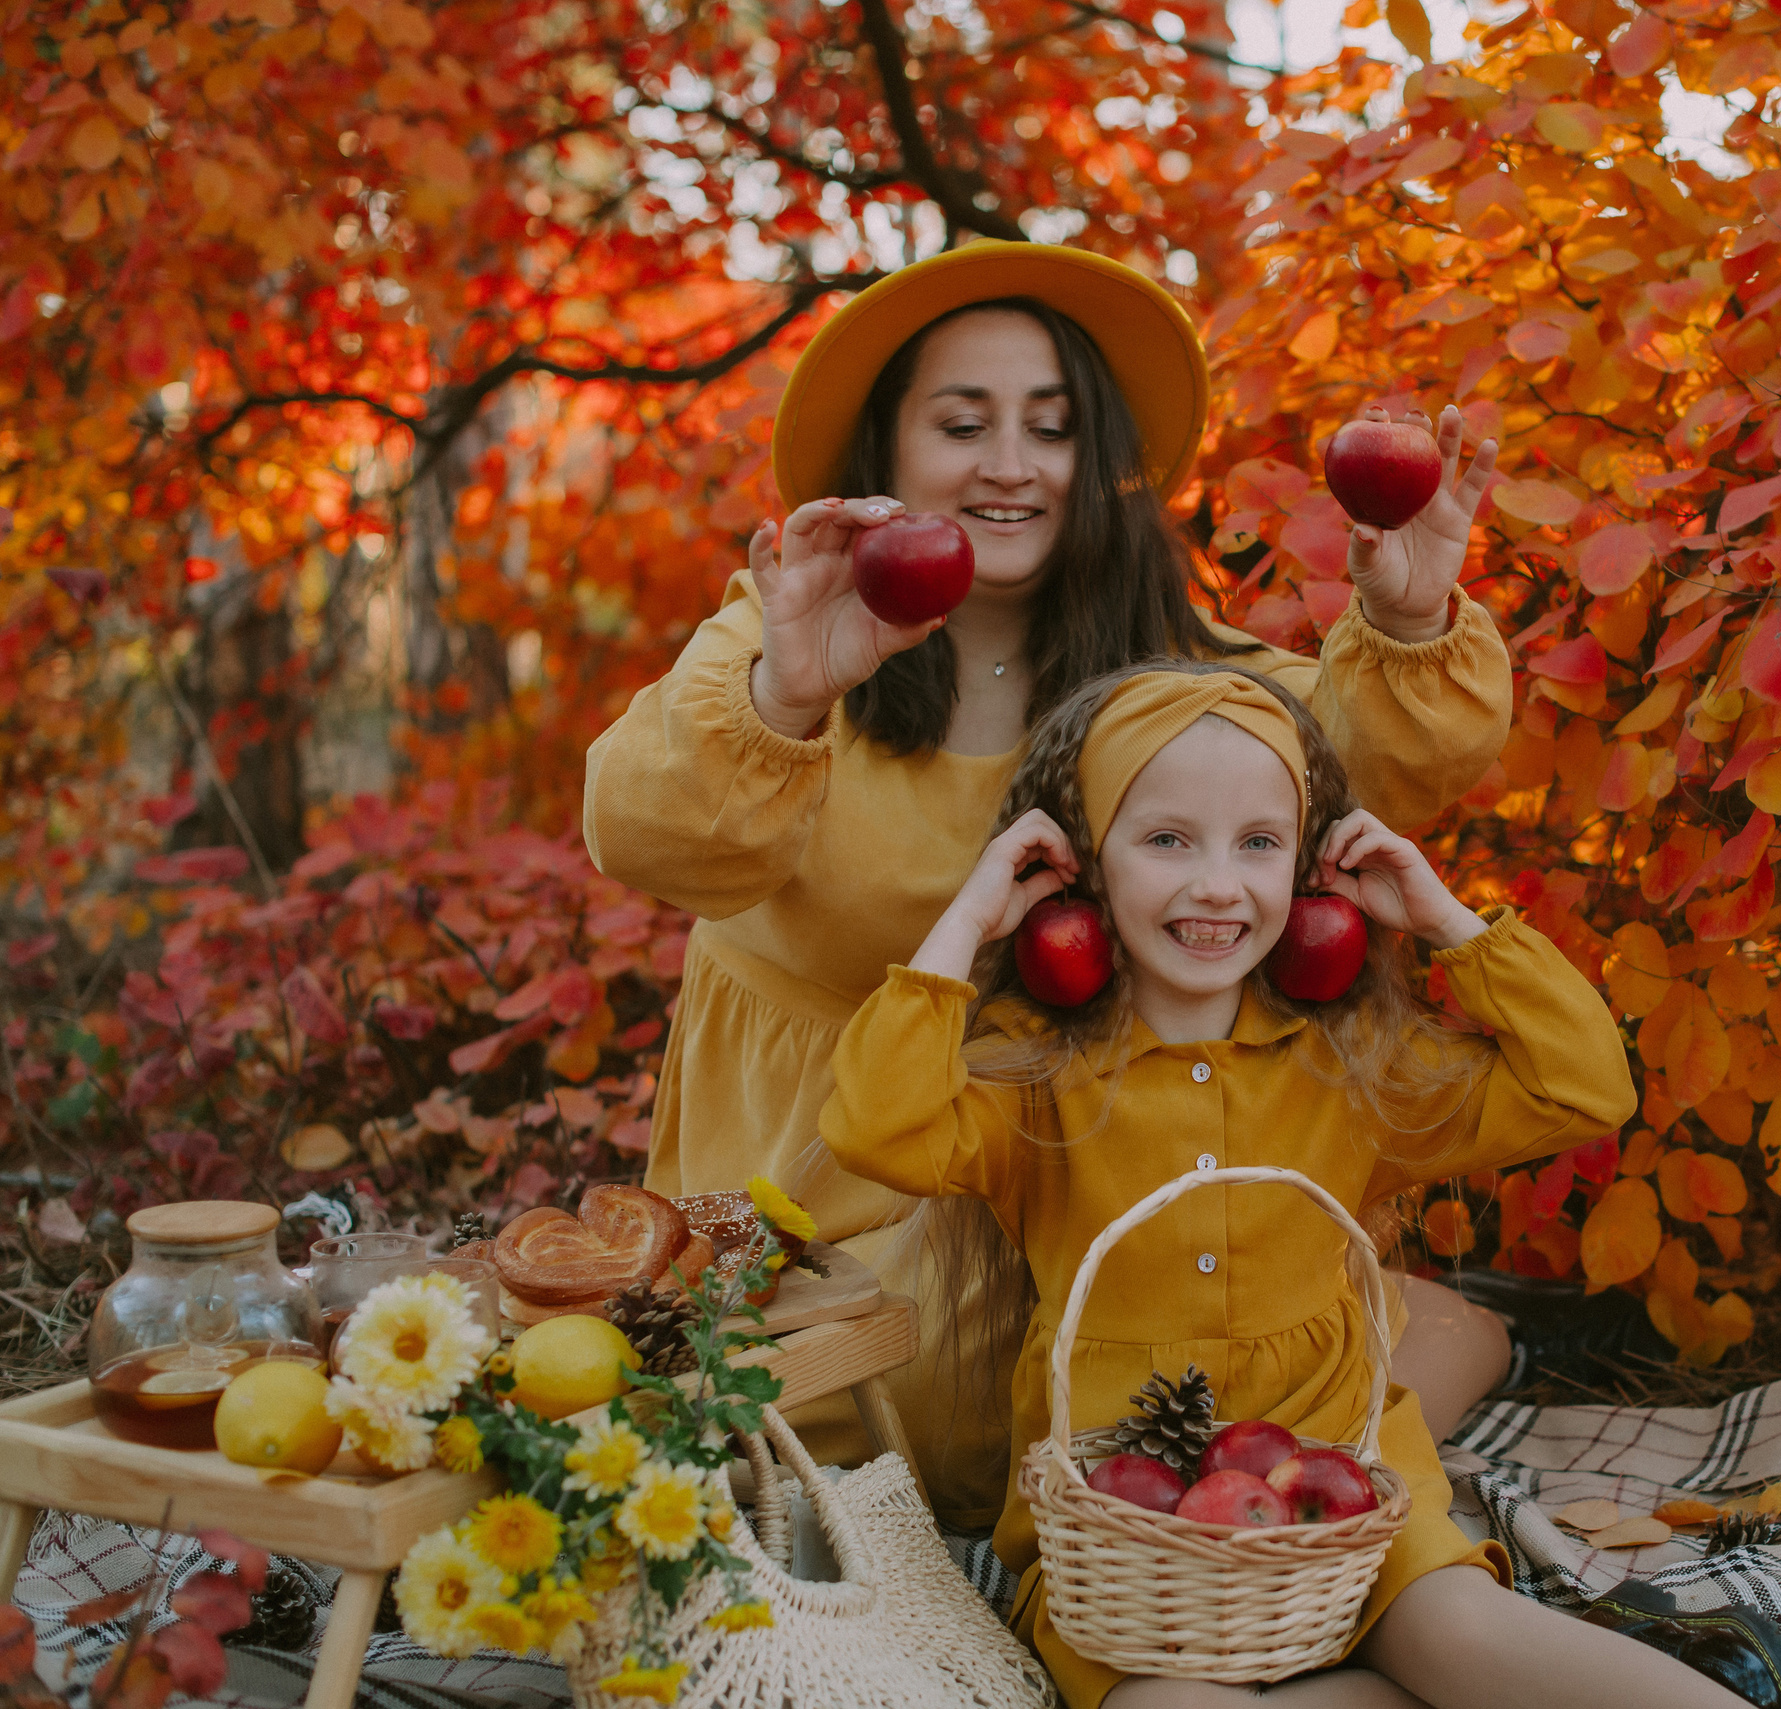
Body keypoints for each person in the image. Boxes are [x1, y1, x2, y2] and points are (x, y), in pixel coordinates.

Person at [582, 243, 1515, 1527]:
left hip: (1095, 1177)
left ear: (1104, 461)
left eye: (1053, 426)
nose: (1011, 465)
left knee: (1304, 1341)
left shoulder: (1170, 664)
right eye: (963, 425)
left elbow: (1361, 767)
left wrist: (1406, 620)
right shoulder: (790, 622)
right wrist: (791, 689)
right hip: (840, 1190)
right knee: (937, 1398)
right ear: (886, 452)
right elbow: (645, 832)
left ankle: (1334, 1429)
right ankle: (1308, 1423)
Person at [818, 662, 1781, 1709]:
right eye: (1166, 840)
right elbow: (875, 1128)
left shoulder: (1351, 1062)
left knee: (1460, 1629)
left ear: (1307, 864)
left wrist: (1442, 917)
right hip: (1126, 1523)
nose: (1218, 884)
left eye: (1259, 843)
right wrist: (971, 915)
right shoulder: (1037, 1071)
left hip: (1341, 1476)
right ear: (1082, 860)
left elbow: (1585, 1087)